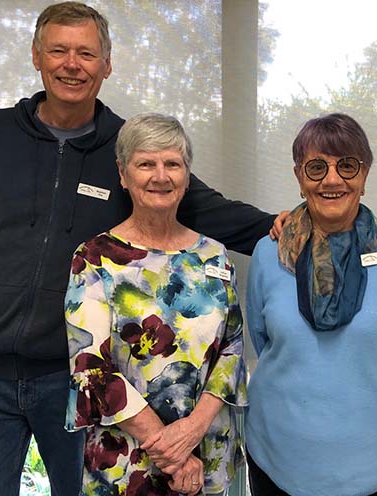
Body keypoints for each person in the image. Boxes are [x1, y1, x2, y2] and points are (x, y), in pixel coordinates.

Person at [0, 3, 272, 495]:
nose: (71, 64)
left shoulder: (125, 148)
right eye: (58, 51)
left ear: (107, 64)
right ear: (36, 56)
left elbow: (208, 209)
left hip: (67, 378)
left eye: (86, 53)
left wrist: (292, 225)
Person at [65, 113, 246, 496]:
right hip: (126, 464)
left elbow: (231, 349)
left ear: (187, 175)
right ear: (123, 174)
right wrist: (175, 453)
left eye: (172, 164)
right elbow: (90, 369)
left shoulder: (214, 255)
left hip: (207, 457)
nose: (160, 176)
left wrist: (194, 428)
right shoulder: (94, 258)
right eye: (146, 164)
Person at [245, 113, 377, 496]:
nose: (332, 180)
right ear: (299, 177)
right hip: (277, 456)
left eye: (347, 165)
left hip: (374, 462)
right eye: (316, 167)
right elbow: (262, 340)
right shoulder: (268, 253)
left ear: (365, 174)